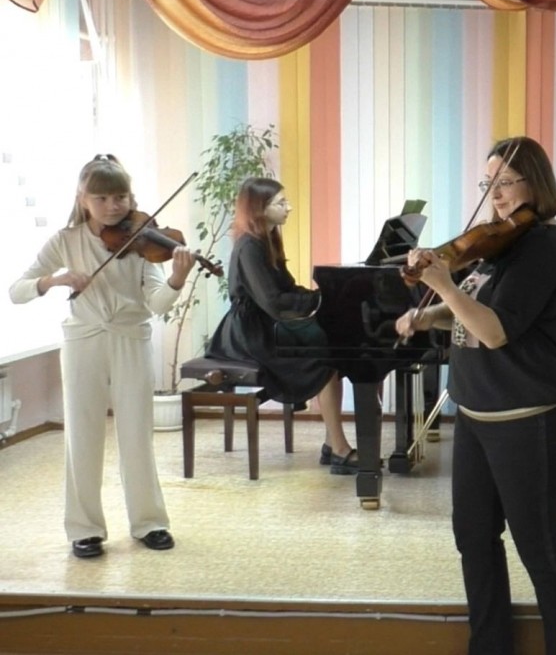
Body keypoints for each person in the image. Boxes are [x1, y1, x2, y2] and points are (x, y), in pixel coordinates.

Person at [396, 136, 556, 655]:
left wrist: (445, 287)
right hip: (477, 411)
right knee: (474, 537)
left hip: (530, 413)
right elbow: (471, 306)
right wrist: (427, 315)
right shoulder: (497, 244)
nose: (495, 195)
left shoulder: (542, 246)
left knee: (539, 546)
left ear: (534, 184)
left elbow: (495, 331)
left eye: (505, 183)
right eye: (488, 184)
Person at [9, 154, 197, 559]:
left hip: (130, 337)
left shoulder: (142, 239)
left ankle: (149, 522)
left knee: (137, 432)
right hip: (83, 340)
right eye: (102, 198)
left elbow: (157, 303)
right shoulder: (65, 240)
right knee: (83, 433)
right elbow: (17, 290)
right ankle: (85, 529)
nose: (113, 206)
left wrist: (177, 279)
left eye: (120, 197)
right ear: (83, 199)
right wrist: (54, 280)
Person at [205, 177, 357, 474]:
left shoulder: (267, 239)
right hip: (248, 335)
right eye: (281, 203)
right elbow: (273, 302)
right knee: (325, 359)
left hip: (264, 325)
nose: (289, 207)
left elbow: (287, 288)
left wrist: (320, 296)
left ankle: (333, 443)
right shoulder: (249, 246)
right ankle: (339, 449)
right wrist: (317, 301)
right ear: (260, 209)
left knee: (332, 353)